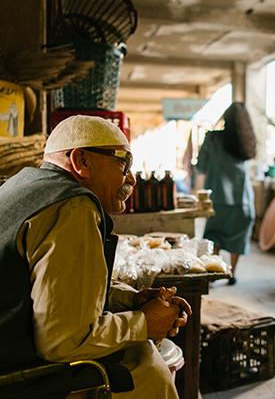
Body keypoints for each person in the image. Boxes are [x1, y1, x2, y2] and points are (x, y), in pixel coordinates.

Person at [0, 115, 192, 398]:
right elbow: (62, 341)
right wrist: (144, 323)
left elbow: (54, 285)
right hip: (17, 375)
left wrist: (131, 299)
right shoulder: (74, 208)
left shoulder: (19, 185)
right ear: (81, 162)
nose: (131, 178)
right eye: (123, 163)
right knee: (145, 361)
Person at [196, 102, 257, 285]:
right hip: (243, 199)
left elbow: (201, 166)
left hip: (219, 197)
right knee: (238, 237)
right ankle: (231, 272)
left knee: (214, 236)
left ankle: (214, 273)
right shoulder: (247, 141)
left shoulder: (213, 139)